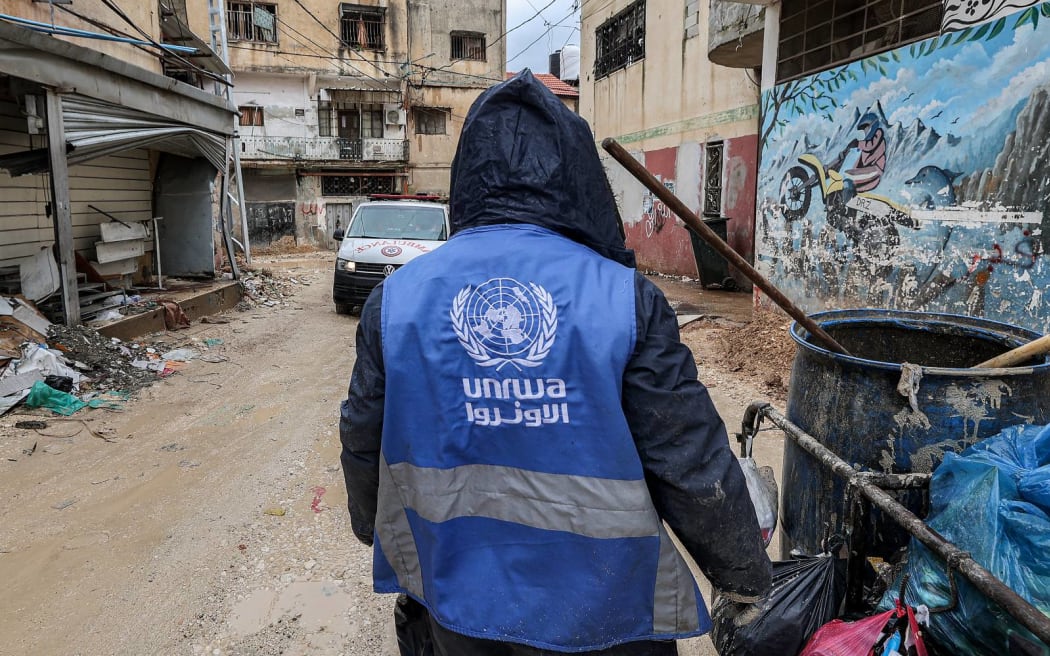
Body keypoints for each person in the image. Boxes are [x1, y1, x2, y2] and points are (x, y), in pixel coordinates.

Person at [339, 70, 772, 656]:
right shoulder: (623, 299)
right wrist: (742, 574)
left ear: (467, 175)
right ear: (575, 177)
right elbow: (689, 457)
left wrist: (371, 524)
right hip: (607, 617)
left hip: (457, 606)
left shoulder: (395, 302)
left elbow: (363, 434)